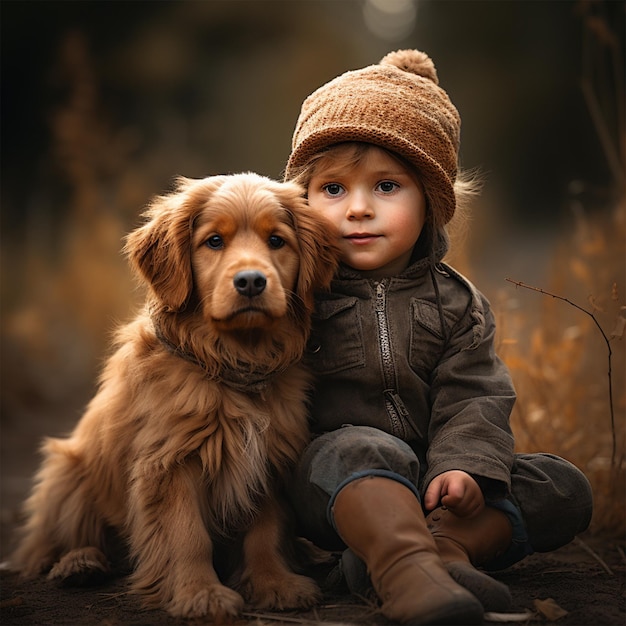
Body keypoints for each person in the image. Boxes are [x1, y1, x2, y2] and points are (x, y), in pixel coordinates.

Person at [283, 49, 593, 625]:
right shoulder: (296, 293)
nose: (357, 208)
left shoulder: (456, 303)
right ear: (301, 200)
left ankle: (443, 551)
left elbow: (475, 395)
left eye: (385, 186)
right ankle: (404, 569)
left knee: (562, 484)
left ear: (431, 201)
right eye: (332, 189)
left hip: (434, 482)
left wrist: (464, 469)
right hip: (331, 484)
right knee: (361, 447)